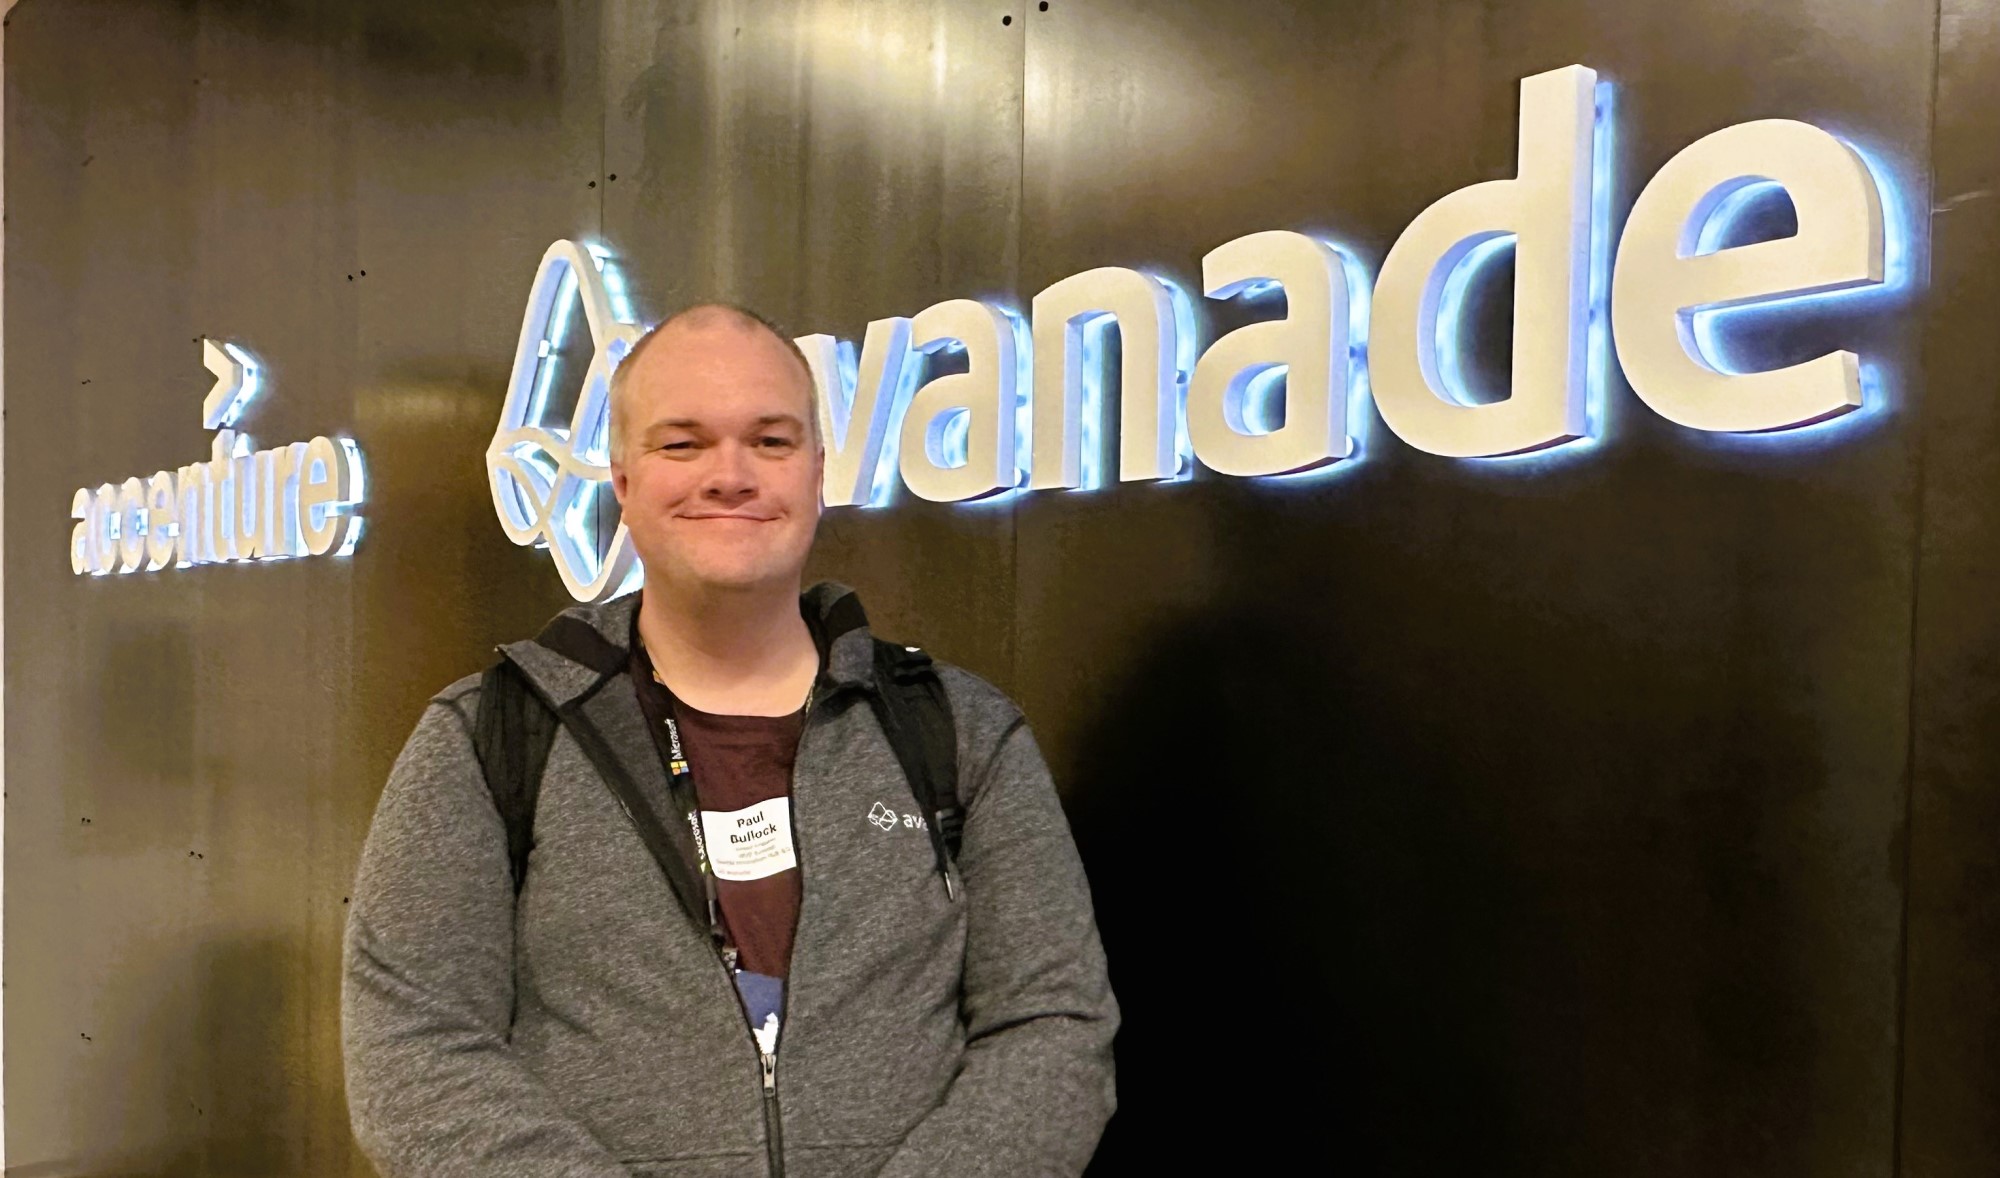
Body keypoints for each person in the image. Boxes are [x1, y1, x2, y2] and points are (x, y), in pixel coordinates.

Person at [341, 303, 1118, 1177]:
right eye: (682, 444)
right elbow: (416, 1046)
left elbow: (1053, 1026)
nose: (731, 475)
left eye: (771, 442)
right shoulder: (488, 738)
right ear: (625, 483)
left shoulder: (962, 731)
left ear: (817, 475)